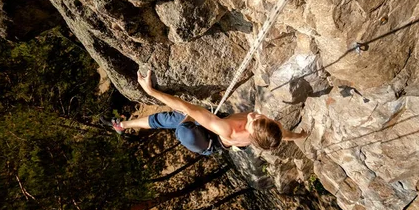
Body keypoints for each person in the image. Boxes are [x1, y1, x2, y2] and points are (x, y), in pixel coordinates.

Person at [111, 70, 306, 155]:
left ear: (253, 134)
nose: (253, 114)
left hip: (207, 142)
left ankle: (125, 125)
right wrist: (299, 135)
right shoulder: (272, 129)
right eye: (260, 117)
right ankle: (123, 125)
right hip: (220, 132)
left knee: (176, 121)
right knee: (175, 118)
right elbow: (283, 136)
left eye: (253, 121)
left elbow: (186, 107)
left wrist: (151, 91)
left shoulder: (228, 129)